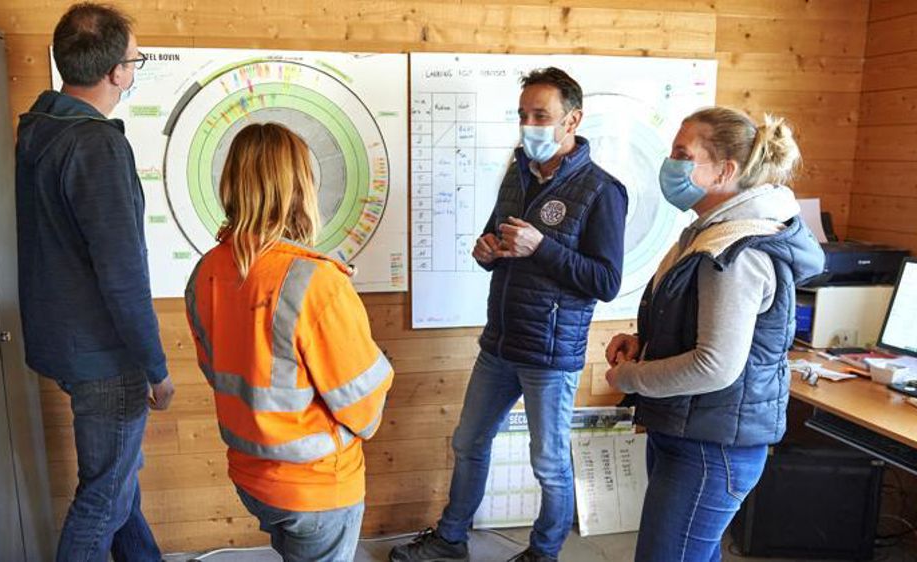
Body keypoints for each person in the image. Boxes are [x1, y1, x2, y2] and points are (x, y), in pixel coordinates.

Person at [390, 67, 628, 562]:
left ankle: (543, 553)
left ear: (572, 120)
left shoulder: (603, 190)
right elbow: (495, 238)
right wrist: (486, 250)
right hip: (498, 345)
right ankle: (451, 540)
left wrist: (540, 247)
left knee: (549, 465)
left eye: (541, 115)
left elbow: (605, 282)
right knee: (469, 442)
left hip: (550, 355)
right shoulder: (516, 173)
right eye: (523, 115)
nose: (529, 125)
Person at [603, 107, 824, 561]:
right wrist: (641, 345)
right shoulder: (710, 233)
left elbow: (715, 365)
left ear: (725, 170)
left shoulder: (737, 252)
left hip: (710, 448)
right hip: (693, 431)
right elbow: (694, 325)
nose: (671, 164)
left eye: (683, 154)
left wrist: (631, 378)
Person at [185, 123, 393, 562]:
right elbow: (365, 409)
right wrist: (334, 298)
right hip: (317, 488)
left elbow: (219, 369)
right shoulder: (316, 281)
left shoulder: (206, 272)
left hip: (251, 478)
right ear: (301, 187)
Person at [15, 3, 173, 561]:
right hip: (107, 358)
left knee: (117, 482)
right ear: (116, 74)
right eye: (136, 59)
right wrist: (155, 368)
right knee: (103, 497)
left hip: (62, 344)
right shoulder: (97, 145)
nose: (134, 69)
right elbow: (122, 272)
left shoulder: (40, 127)